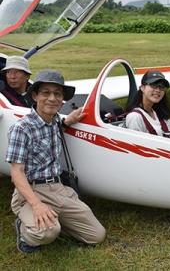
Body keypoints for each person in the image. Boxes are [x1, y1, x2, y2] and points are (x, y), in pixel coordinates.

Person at [6, 70, 106, 253]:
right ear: (35, 96)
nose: (52, 98)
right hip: (32, 190)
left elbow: (58, 126)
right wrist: (36, 205)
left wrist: (68, 121)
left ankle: (56, 220)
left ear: (62, 99)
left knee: (96, 236)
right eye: (45, 93)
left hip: (59, 188)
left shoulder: (54, 121)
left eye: (57, 94)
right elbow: (16, 173)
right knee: (46, 233)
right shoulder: (21, 128)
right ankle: (24, 228)